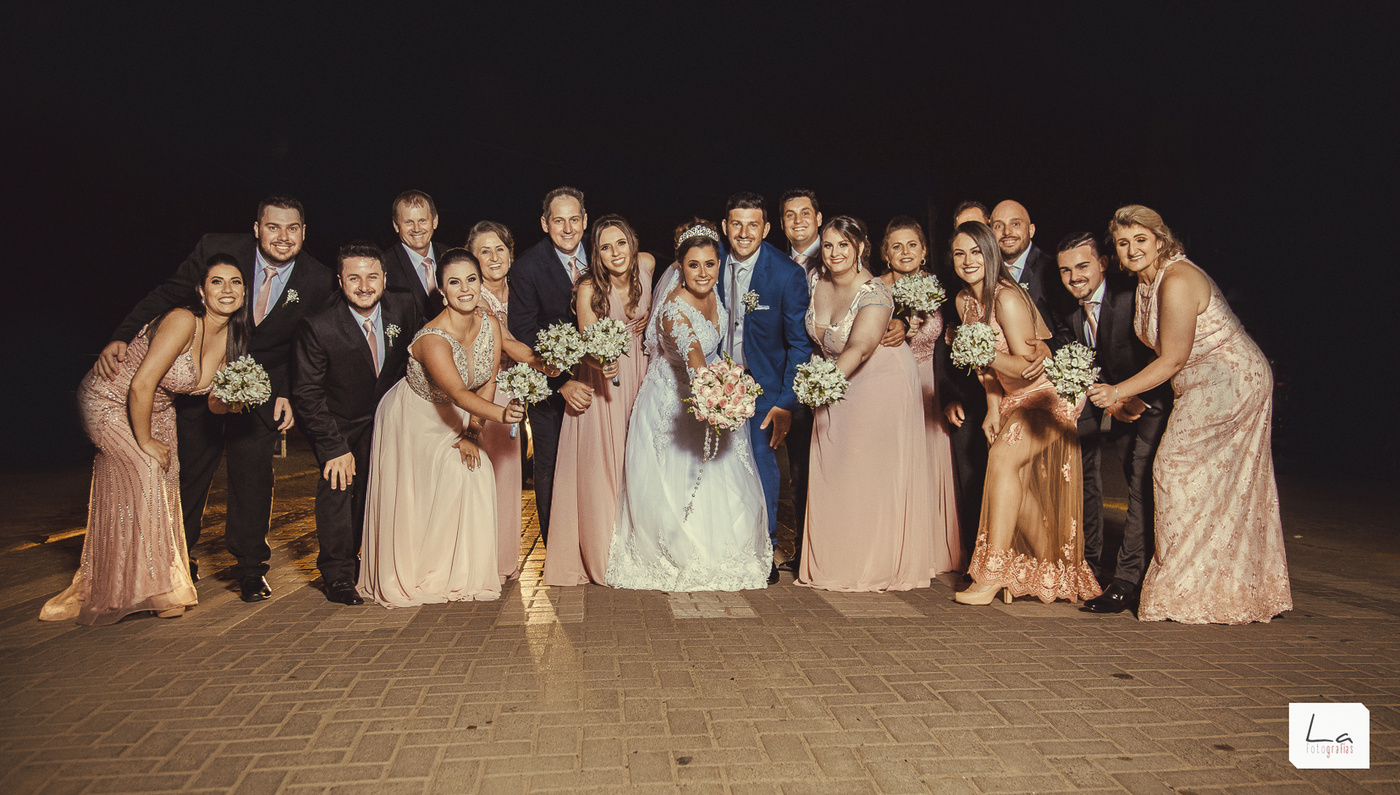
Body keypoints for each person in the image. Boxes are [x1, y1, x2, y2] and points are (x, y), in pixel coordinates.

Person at [96, 196, 334, 601]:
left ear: (304, 232)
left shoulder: (318, 278)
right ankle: (176, 560)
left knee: (253, 480)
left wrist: (288, 393)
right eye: (273, 227)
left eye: (292, 228)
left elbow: (308, 343)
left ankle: (250, 569)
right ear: (256, 228)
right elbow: (168, 294)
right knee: (186, 475)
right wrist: (122, 334)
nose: (282, 236)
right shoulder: (217, 248)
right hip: (199, 383)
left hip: (261, 391)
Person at [1088, 206, 1290, 624]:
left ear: (1160, 240)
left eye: (1141, 239)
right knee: (1206, 483)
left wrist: (1118, 392)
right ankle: (1212, 585)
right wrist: (1135, 395)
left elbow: (1174, 357)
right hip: (1196, 385)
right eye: (1123, 243)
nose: (1132, 249)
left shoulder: (1178, 279)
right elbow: (1164, 355)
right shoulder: (1146, 283)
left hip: (1231, 381)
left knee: (1172, 469)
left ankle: (1182, 587)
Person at [43, 256, 249, 625]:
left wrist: (237, 399)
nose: (227, 289)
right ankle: (157, 590)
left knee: (166, 481)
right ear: (202, 292)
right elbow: (141, 384)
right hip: (110, 400)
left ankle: (144, 583)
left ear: (244, 293)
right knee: (148, 467)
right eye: (217, 281)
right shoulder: (183, 320)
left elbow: (213, 403)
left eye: (235, 282)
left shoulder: (232, 338)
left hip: (157, 409)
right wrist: (146, 442)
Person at [606, 221, 770, 591]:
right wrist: (720, 398)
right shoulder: (674, 312)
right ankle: (685, 553)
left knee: (721, 477)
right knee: (678, 481)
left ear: (718, 264)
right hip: (673, 399)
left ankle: (723, 547)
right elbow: (696, 359)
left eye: (710, 264)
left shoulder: (714, 294)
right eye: (693, 265)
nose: (703, 273)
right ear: (680, 266)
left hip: (706, 389)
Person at [358, 250, 525, 607]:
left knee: (476, 473)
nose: (465, 289)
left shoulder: (490, 324)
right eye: (454, 282)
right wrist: (503, 415)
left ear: (480, 283)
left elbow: (488, 380)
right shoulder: (431, 338)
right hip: (415, 419)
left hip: (459, 416)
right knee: (419, 496)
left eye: (471, 280)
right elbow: (460, 393)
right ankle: (420, 572)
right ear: (442, 291)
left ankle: (460, 574)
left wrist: (473, 433)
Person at [949, 221, 1100, 605]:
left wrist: (986, 354)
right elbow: (985, 371)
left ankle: (992, 575)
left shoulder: (1007, 299)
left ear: (991, 253)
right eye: (959, 253)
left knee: (1001, 460)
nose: (968, 261)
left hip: (1047, 395)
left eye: (976, 252)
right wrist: (991, 408)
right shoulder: (964, 302)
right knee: (1015, 479)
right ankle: (1054, 570)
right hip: (1011, 398)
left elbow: (1027, 367)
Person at [798, 217, 933, 592]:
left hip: (879, 380)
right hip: (838, 379)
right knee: (836, 468)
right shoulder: (817, 282)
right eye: (828, 245)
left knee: (867, 471)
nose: (835, 253)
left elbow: (860, 346)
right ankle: (836, 559)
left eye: (844, 245)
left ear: (859, 248)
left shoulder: (875, 292)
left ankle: (872, 564)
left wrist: (821, 386)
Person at [290, 242, 423, 606]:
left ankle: (376, 561)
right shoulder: (318, 324)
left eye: (372, 276)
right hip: (340, 424)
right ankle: (337, 575)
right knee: (338, 490)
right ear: (340, 280)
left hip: (389, 419)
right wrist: (333, 448)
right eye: (354, 278)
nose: (364, 286)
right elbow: (307, 393)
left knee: (377, 493)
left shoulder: (405, 306)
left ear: (385, 278)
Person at [1054, 232, 1172, 614]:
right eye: (1065, 270)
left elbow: (1162, 353)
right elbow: (1086, 360)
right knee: (1136, 484)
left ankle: (1125, 582)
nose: (1075, 276)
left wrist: (1134, 396)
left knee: (1140, 486)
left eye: (1083, 266)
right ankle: (1127, 571)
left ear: (1103, 264)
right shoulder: (1070, 310)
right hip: (1118, 406)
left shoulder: (1127, 297)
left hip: (1154, 402)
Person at [544, 216, 654, 586]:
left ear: (632, 243)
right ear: (596, 253)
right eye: (605, 247)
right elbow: (586, 343)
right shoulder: (589, 288)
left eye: (620, 243)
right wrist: (601, 361)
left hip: (642, 374)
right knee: (605, 466)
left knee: (638, 463)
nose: (615, 252)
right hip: (604, 382)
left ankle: (641, 546)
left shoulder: (647, 265)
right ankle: (606, 554)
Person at [716, 192, 814, 583]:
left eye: (753, 224)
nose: (744, 233)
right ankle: (720, 546)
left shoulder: (786, 274)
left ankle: (763, 550)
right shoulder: (709, 262)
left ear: (766, 228)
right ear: (725, 226)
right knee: (715, 466)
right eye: (736, 224)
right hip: (714, 384)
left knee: (760, 465)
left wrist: (785, 401)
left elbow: (799, 344)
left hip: (763, 388)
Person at [507, 187, 595, 546]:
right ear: (545, 224)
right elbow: (524, 334)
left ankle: (595, 539)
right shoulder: (527, 268)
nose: (568, 228)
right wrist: (562, 384)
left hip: (601, 384)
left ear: (585, 220)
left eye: (574, 219)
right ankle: (557, 547)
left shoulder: (603, 254)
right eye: (559, 221)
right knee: (550, 465)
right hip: (551, 390)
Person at [470, 220, 556, 582]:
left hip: (520, 389)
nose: (494, 257)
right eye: (484, 251)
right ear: (473, 258)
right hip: (488, 391)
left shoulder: (521, 287)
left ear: (511, 252)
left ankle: (504, 560)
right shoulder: (475, 297)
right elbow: (507, 342)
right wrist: (553, 362)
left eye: (500, 249)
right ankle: (481, 562)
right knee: (486, 477)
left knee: (510, 477)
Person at [878, 216, 964, 575]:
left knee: (930, 463)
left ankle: (930, 548)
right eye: (896, 246)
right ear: (885, 253)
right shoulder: (875, 289)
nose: (905, 252)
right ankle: (894, 548)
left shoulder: (940, 287)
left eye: (912, 244)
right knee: (894, 464)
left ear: (924, 250)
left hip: (930, 383)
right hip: (891, 383)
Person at [989, 200, 1071, 336]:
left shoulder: (1052, 269)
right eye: (998, 226)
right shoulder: (986, 271)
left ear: (1031, 230)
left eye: (1015, 224)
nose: (1007, 232)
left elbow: (1068, 333)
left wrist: (1043, 347)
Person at [383, 190, 451, 317]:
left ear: (435, 221)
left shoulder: (452, 257)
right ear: (396, 226)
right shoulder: (384, 266)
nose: (416, 229)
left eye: (422, 221)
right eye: (409, 222)